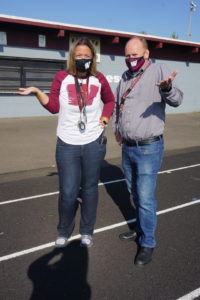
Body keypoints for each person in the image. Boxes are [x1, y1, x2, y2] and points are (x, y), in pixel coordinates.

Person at [16, 37, 115, 248]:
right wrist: (36, 92)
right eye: (79, 56)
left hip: (93, 142)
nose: (83, 59)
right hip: (67, 144)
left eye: (87, 56)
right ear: (72, 58)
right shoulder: (62, 77)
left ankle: (87, 231)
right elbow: (53, 106)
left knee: (89, 189)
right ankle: (64, 229)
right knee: (68, 192)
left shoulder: (99, 78)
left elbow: (110, 100)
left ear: (93, 58)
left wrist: (105, 117)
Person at [112, 36, 183, 266]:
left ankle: (148, 242)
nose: (131, 59)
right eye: (127, 56)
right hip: (128, 147)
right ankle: (139, 228)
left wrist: (168, 89)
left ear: (146, 54)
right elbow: (117, 106)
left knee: (145, 198)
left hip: (149, 148)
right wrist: (117, 128)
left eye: (135, 55)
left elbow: (177, 99)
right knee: (134, 193)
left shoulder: (159, 70)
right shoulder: (124, 77)